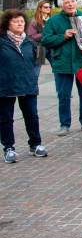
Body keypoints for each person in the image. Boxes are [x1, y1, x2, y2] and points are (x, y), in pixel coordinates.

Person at [41, 0, 82, 136]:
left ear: (76, 3)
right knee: (63, 96)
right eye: (67, 2)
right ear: (61, 5)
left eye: (72, 1)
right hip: (62, 63)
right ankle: (64, 124)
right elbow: (46, 40)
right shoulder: (54, 21)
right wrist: (63, 36)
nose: (70, 4)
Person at [1, 10, 47, 163]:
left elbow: (40, 60)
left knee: (32, 116)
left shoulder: (30, 42)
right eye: (16, 21)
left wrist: (33, 77)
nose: (20, 23)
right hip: (6, 85)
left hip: (28, 85)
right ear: (7, 24)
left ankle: (35, 144)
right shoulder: (2, 41)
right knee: (6, 118)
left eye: (22, 21)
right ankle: (9, 148)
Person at [26, 0, 52, 79]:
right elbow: (31, 36)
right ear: (40, 8)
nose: (48, 8)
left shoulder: (52, 19)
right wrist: (44, 33)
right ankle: (32, 89)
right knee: (36, 70)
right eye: (45, 7)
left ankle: (61, 90)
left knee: (57, 69)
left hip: (52, 46)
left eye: (49, 7)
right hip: (40, 48)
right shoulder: (35, 21)